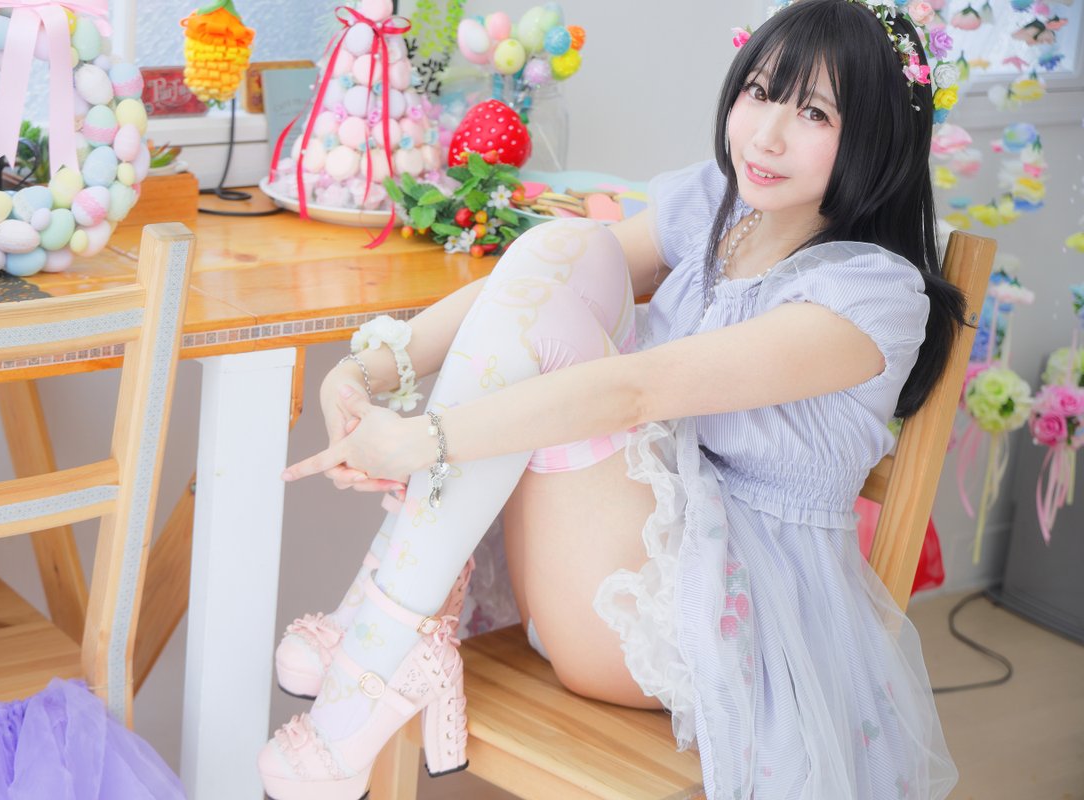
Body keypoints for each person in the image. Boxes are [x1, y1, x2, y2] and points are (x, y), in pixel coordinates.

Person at [258, 0, 966, 797]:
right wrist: (369, 370)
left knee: (569, 322)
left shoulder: (869, 295)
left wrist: (422, 440)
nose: (767, 135)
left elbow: (636, 391)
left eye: (814, 113)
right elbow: (541, 277)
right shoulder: (722, 207)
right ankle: (385, 632)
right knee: (564, 249)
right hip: (597, 567)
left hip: (706, 637)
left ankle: (378, 640)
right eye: (760, 92)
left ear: (878, 136)